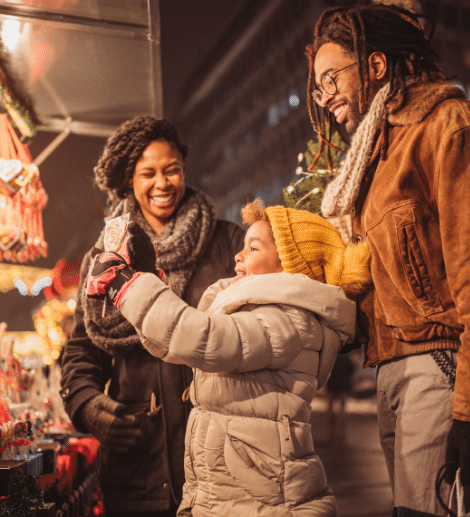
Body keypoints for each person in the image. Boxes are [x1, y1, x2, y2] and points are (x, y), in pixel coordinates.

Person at [305, 3, 470, 516]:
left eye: (331, 77)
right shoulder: (373, 161)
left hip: (441, 368)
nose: (325, 96)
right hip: (390, 373)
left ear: (376, 65)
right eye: (318, 87)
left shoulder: (453, 128)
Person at [84, 200, 372, 516]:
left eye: (253, 249)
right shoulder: (254, 310)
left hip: (265, 500)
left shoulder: (288, 320)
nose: (239, 255)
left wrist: (129, 287)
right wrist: (143, 279)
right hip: (235, 492)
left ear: (288, 264)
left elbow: (206, 338)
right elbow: (177, 344)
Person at [59, 116, 245, 516]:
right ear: (129, 181)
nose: (162, 183)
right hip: (138, 468)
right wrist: (89, 407)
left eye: (172, 169)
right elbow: (80, 352)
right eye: (148, 173)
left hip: (223, 461)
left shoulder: (229, 243)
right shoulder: (104, 260)